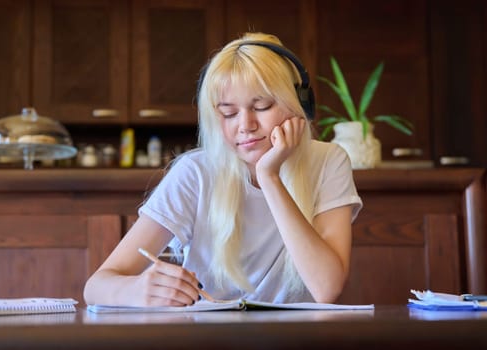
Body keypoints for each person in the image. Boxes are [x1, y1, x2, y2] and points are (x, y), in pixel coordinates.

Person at [83, 32, 362, 307]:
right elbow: (96, 287)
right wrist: (137, 289)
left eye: (262, 106)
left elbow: (327, 288)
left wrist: (270, 177)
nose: (245, 125)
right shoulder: (195, 173)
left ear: (298, 104)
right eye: (228, 113)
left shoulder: (328, 161)